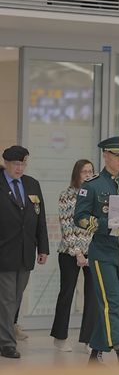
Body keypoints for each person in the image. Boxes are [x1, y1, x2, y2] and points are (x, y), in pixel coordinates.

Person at [74, 137, 119, 364]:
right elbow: (80, 218)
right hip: (102, 251)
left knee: (110, 303)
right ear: (105, 155)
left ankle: (95, 353)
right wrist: (105, 225)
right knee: (112, 302)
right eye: (116, 154)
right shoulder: (92, 184)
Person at [0, 146, 49, 359]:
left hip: (26, 251)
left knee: (16, 298)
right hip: (4, 250)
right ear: (6, 163)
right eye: (16, 164)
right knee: (7, 299)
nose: (20, 168)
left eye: (23, 164)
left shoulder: (32, 184)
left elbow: (40, 218)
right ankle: (7, 344)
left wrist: (43, 247)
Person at [50, 159, 98, 352]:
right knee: (67, 294)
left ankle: (88, 339)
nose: (88, 175)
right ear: (77, 174)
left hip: (92, 251)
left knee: (92, 295)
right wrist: (78, 253)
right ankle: (59, 337)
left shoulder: (96, 196)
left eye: (91, 171)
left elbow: (98, 226)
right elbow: (67, 227)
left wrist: (92, 251)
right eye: (84, 171)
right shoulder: (67, 196)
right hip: (70, 252)